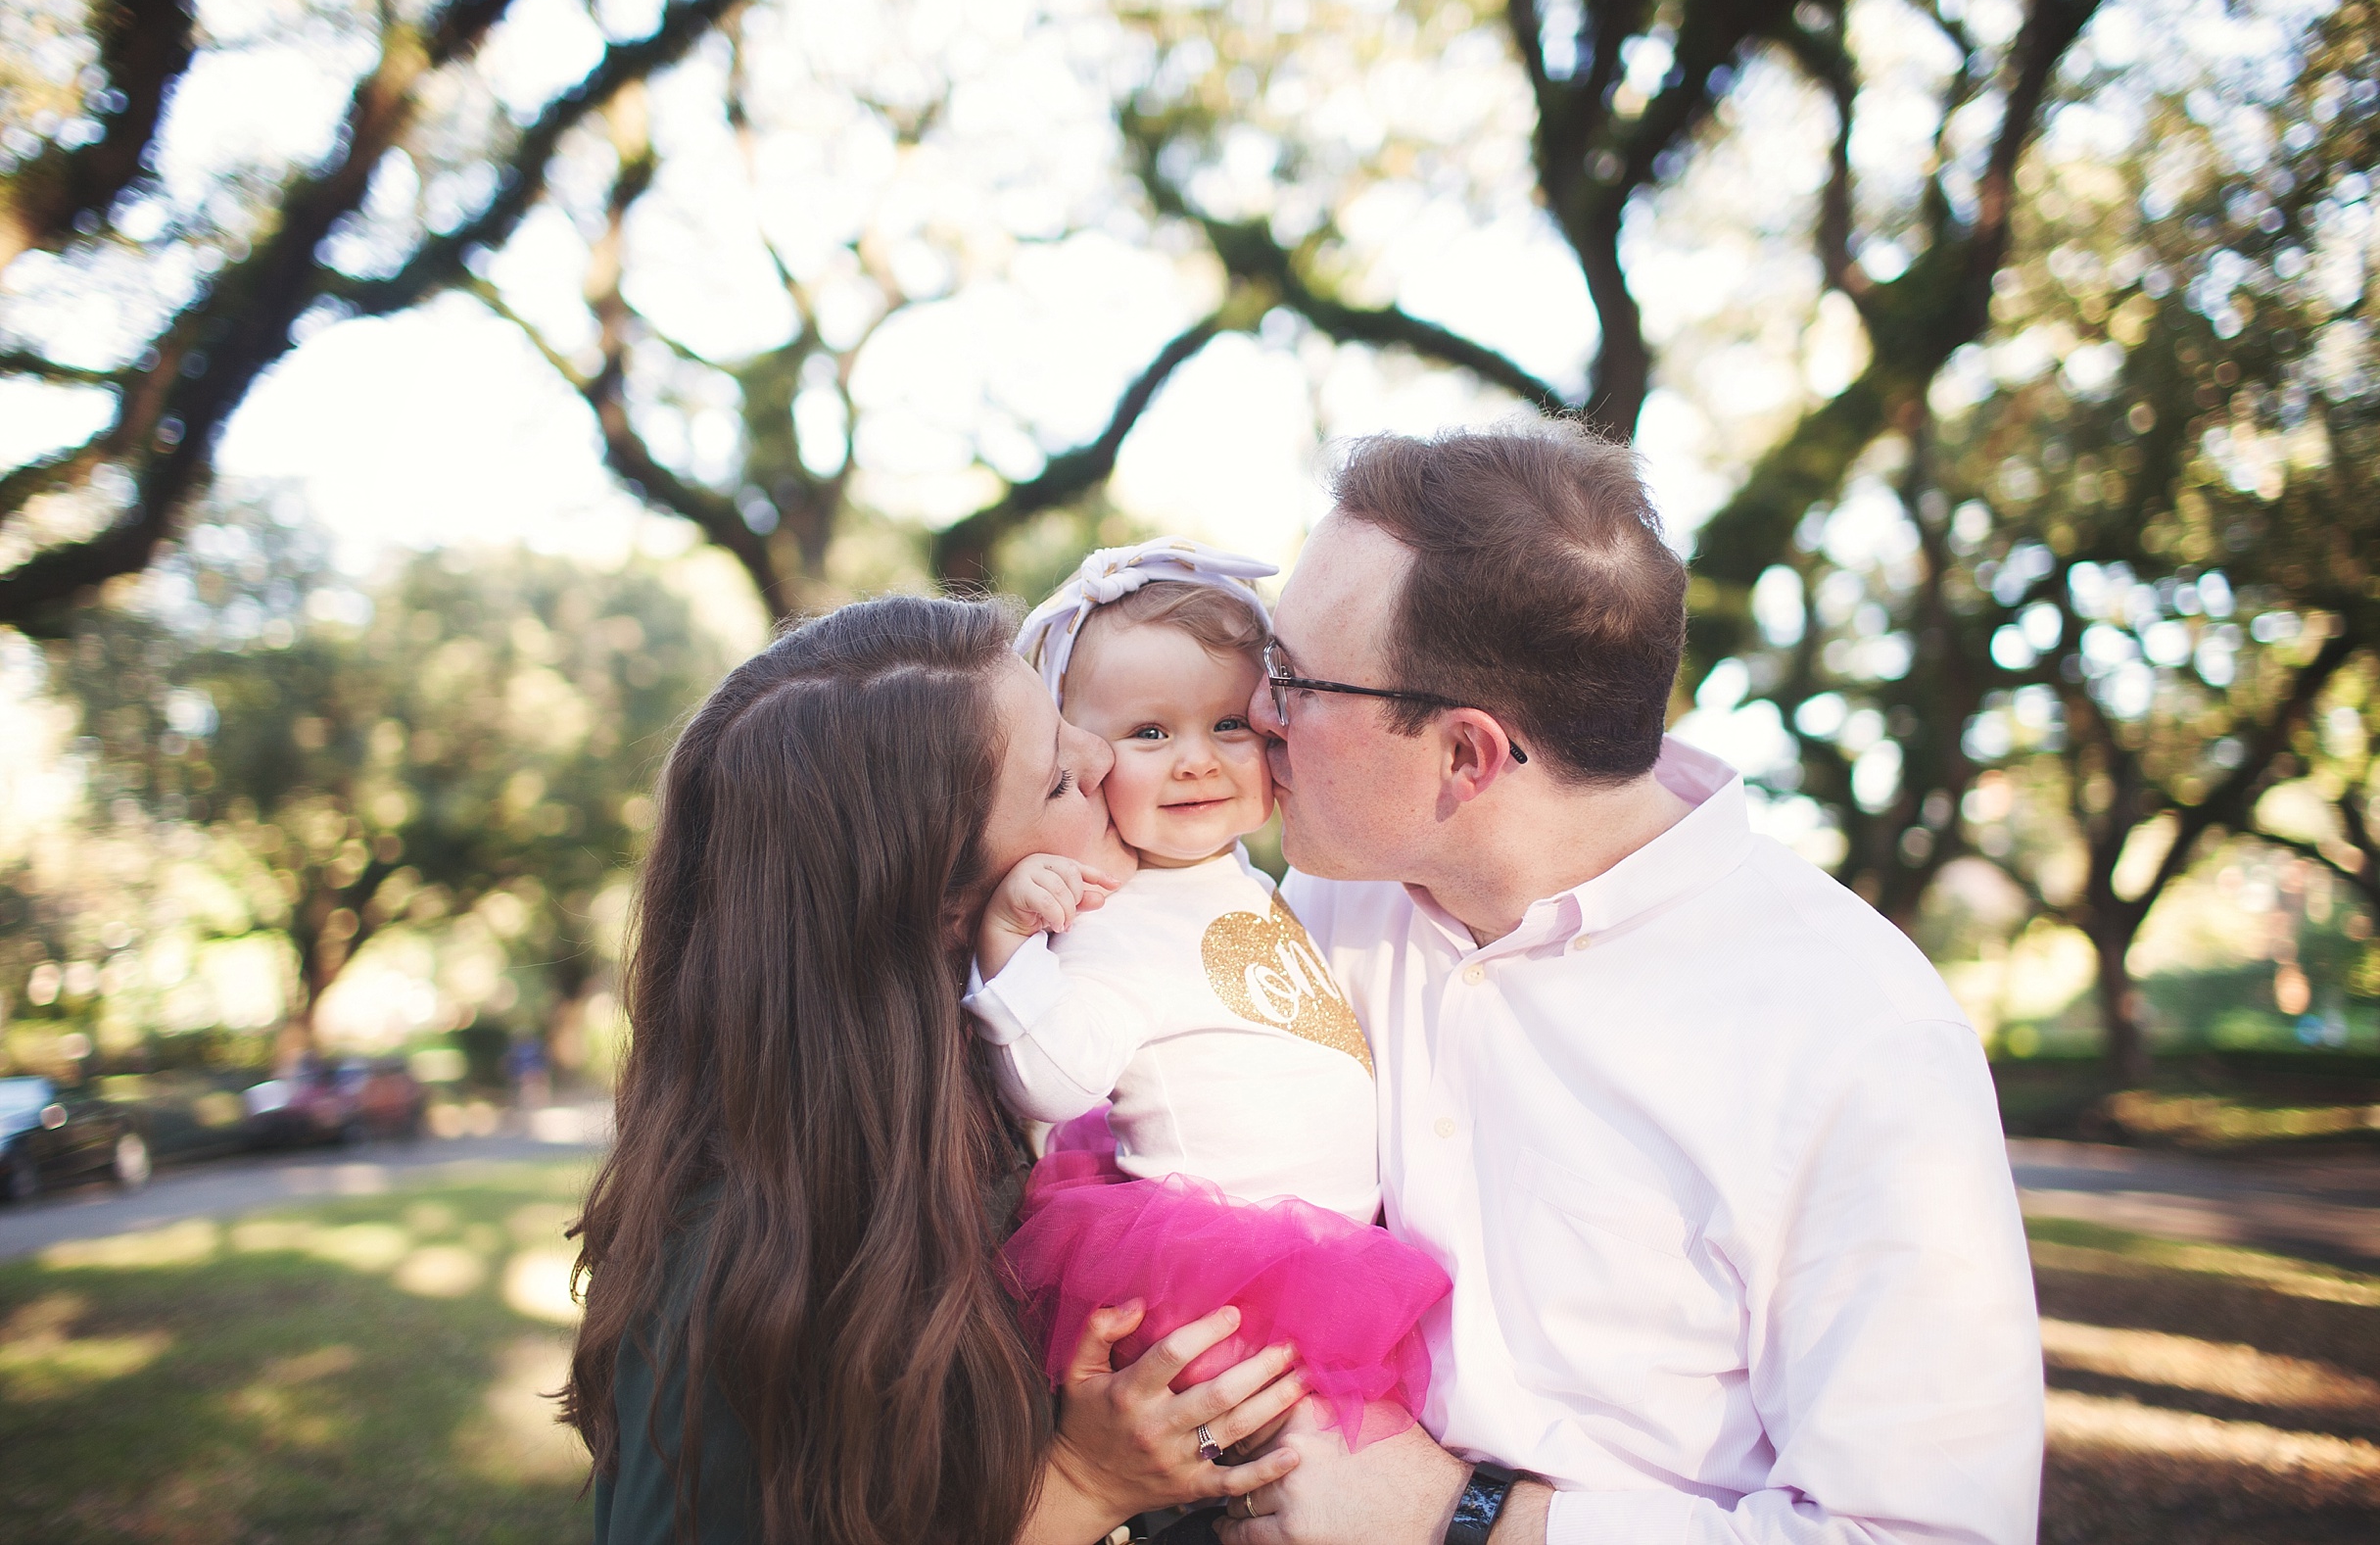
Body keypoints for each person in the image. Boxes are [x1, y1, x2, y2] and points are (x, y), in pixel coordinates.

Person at [1215, 423, 2044, 1544]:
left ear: (1468, 755)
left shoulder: (1861, 1041)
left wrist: (1464, 1520)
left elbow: (1924, 1533)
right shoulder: (1332, 899)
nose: (1255, 715)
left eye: (1294, 681)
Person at [561, 595, 1308, 1545]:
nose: (1103, 757)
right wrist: (1081, 1484)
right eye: (1054, 784)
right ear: (944, 908)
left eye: (1065, 723)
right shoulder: (751, 1261)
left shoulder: (1015, 1068)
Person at [967, 540, 1451, 1456]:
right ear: (1082, 753)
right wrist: (1007, 944)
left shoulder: (1242, 874)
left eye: (1229, 726)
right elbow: (1054, 1080)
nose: (1196, 762)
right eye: (1150, 734)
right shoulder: (1113, 914)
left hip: (1332, 1259)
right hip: (1221, 1283)